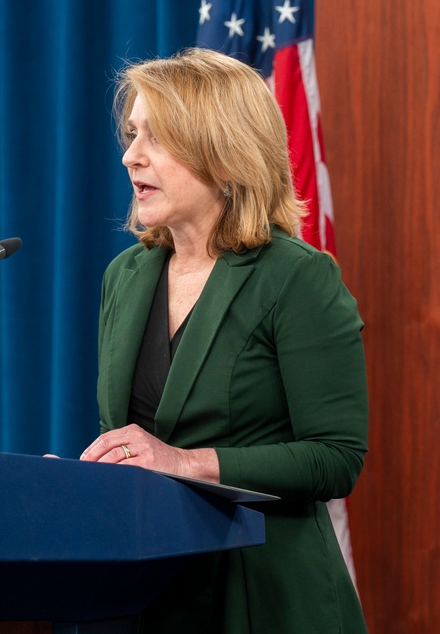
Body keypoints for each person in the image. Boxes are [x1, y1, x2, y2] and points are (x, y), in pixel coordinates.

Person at [79, 48, 368, 634]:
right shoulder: (125, 277)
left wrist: (184, 462)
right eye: (132, 134)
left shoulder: (296, 276)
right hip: (149, 592)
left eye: (156, 137)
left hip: (261, 597)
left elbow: (336, 458)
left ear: (224, 152)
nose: (131, 155)